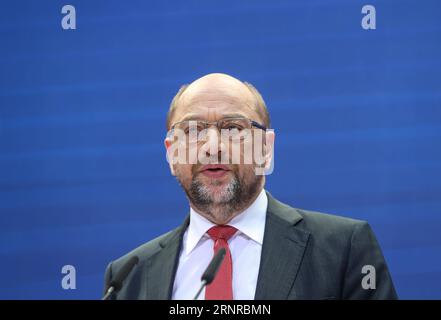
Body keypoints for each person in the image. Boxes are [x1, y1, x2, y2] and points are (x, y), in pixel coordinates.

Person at [103, 73, 397, 300]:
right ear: (171, 153)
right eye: (193, 131)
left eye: (233, 129)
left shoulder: (343, 249)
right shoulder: (128, 276)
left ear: (266, 149)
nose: (213, 147)